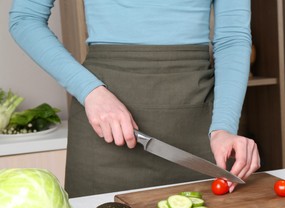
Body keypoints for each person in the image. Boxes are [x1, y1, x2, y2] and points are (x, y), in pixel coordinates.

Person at [9, 0, 260, 197]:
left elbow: (233, 37)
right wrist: (90, 91)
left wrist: (224, 128)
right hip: (105, 128)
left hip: (197, 125)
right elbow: (26, 18)